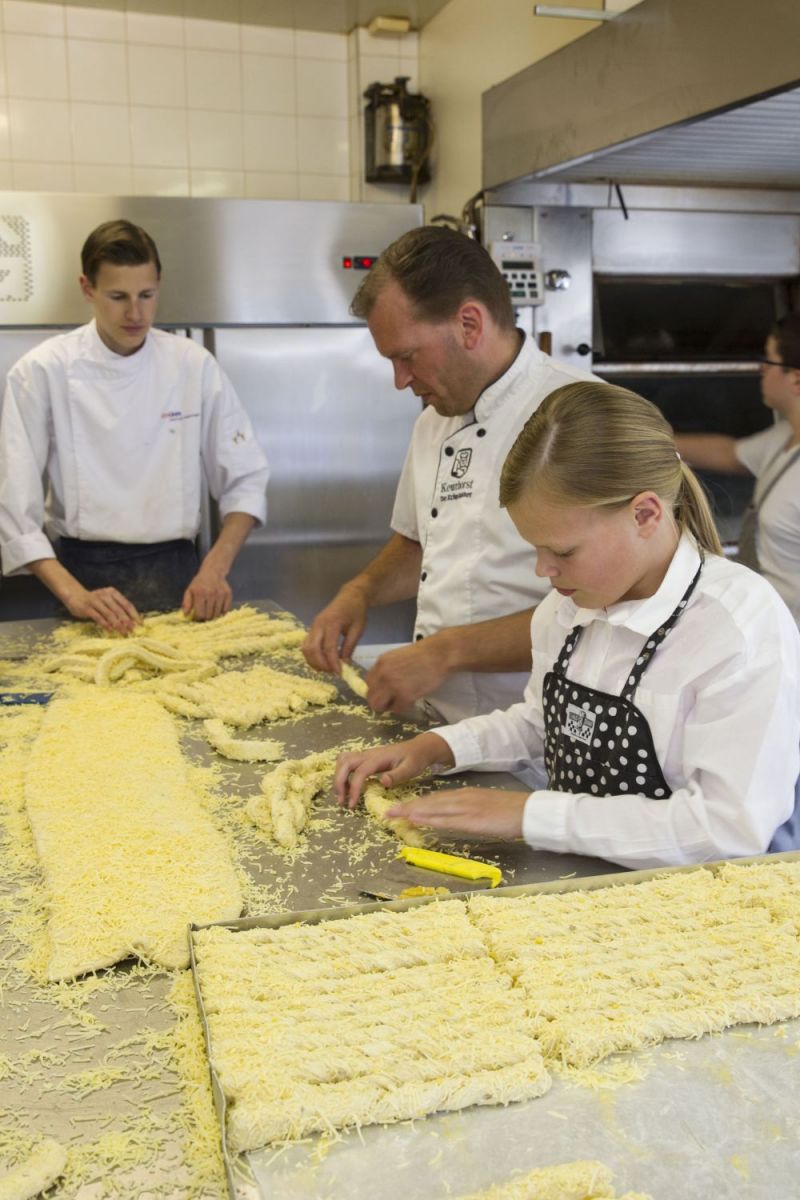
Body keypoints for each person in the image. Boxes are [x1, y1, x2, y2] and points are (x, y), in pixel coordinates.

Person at [334, 381, 800, 870]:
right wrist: (440, 747)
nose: (543, 571)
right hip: (582, 886)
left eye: (562, 551)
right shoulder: (569, 609)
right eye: (534, 549)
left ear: (645, 513)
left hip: (703, 909)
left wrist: (531, 815)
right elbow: (543, 723)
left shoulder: (736, 627)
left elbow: (727, 830)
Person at [303, 226, 594, 722]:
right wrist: (360, 592)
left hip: (544, 740)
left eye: (406, 356)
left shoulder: (585, 415)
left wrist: (445, 652)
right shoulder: (432, 424)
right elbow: (421, 544)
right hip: (442, 726)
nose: (400, 381)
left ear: (469, 324)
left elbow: (607, 611)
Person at [0, 220, 269, 634]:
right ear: (87, 288)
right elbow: (15, 511)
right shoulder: (42, 371)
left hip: (180, 575)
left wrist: (214, 569)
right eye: (117, 297)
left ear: (159, 283)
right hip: (82, 580)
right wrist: (75, 596)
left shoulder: (191, 364)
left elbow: (246, 480)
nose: (136, 313)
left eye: (147, 295)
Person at [674, 311, 800, 623]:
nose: (761, 370)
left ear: (796, 378)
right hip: (773, 629)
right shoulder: (784, 439)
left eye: (769, 361)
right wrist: (655, 439)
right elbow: (729, 453)